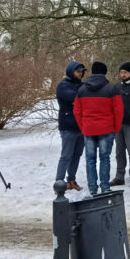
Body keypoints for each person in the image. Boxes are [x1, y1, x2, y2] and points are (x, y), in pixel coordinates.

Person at [73, 62, 124, 196]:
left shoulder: (82, 90)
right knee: (105, 158)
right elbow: (119, 111)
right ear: (104, 73)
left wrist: (83, 127)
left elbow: (77, 111)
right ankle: (105, 187)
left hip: (88, 129)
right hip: (106, 129)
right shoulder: (112, 89)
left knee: (90, 160)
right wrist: (116, 128)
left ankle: (93, 188)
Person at [55, 61, 86, 191]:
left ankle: (71, 180)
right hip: (68, 126)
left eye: (82, 71)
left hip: (81, 126)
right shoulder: (63, 85)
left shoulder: (83, 85)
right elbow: (75, 97)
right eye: (78, 71)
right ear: (71, 71)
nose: (80, 74)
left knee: (77, 155)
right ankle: (59, 182)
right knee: (66, 155)